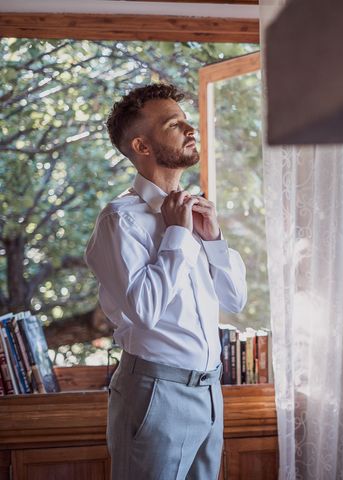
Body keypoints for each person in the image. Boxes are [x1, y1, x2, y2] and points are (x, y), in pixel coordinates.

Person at [85, 83, 247, 479]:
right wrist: (176, 235)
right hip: (157, 393)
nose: (190, 129)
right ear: (142, 146)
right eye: (175, 124)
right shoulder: (119, 220)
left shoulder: (195, 213)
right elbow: (144, 311)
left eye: (186, 121)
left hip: (210, 389)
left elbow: (236, 299)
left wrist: (212, 242)